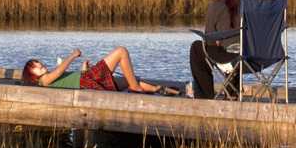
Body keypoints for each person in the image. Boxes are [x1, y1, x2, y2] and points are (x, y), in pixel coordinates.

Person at [20, 45, 179, 94]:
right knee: (121, 51)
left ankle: (160, 90)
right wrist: (72, 56)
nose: (40, 65)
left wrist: (83, 69)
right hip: (88, 82)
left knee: (129, 80)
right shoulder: (44, 81)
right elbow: (60, 71)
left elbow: (70, 79)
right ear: (32, 75)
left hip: (87, 79)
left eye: (38, 62)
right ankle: (136, 89)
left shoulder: (47, 77)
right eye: (36, 66)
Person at [188, 0, 242, 99]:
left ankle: (205, 96)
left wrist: (217, 41)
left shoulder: (216, 5)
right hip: (254, 57)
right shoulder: (249, 3)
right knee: (237, 47)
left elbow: (209, 40)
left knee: (197, 48)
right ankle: (232, 92)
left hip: (231, 57)